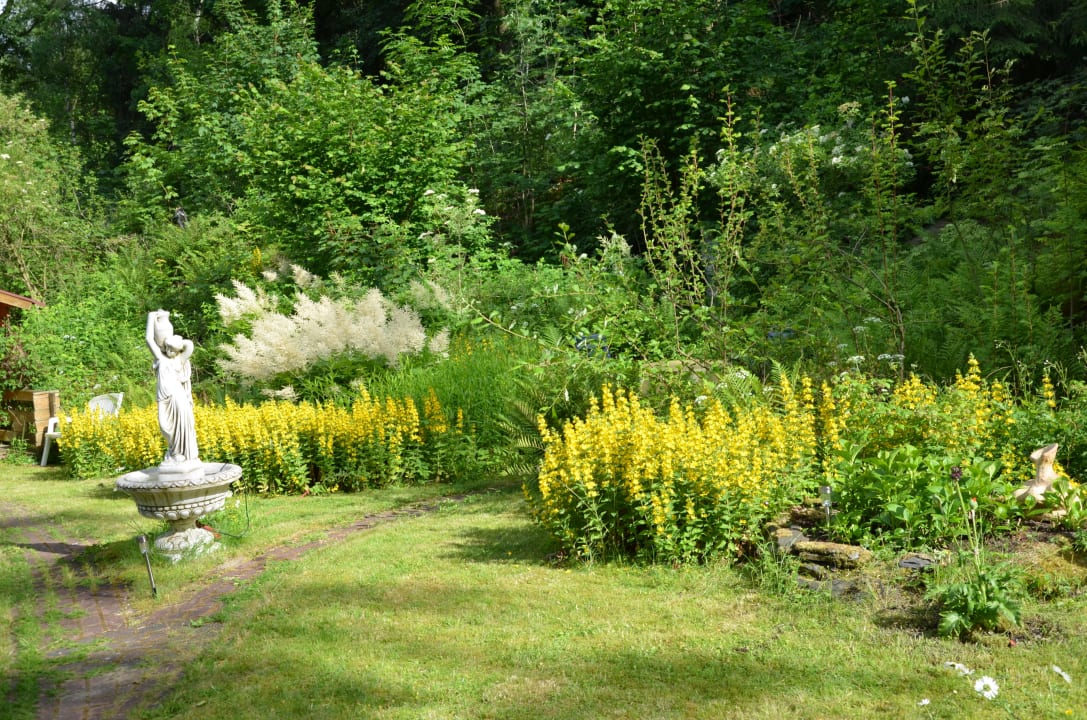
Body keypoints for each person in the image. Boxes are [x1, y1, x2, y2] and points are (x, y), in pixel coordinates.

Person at [146, 311, 199, 465]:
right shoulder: (160, 358)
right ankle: (174, 450)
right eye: (167, 348)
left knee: (179, 428)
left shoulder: (180, 360)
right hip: (163, 397)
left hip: (178, 396)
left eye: (172, 350)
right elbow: (149, 339)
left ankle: (179, 454)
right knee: (164, 427)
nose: (169, 352)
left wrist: (179, 342)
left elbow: (190, 346)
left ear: (177, 351)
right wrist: (151, 318)